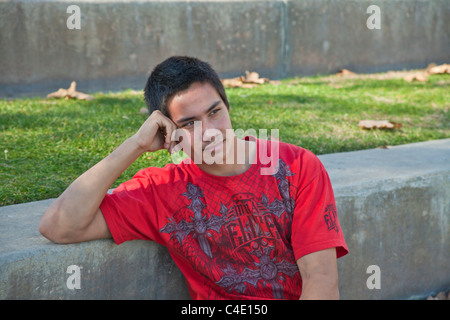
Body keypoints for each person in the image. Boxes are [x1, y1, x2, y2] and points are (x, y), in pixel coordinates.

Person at [39, 56, 348, 300]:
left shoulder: (296, 166)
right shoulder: (160, 190)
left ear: (227, 106)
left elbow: (321, 280)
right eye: (189, 124)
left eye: (214, 112)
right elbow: (59, 225)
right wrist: (134, 146)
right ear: (167, 132)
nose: (210, 133)